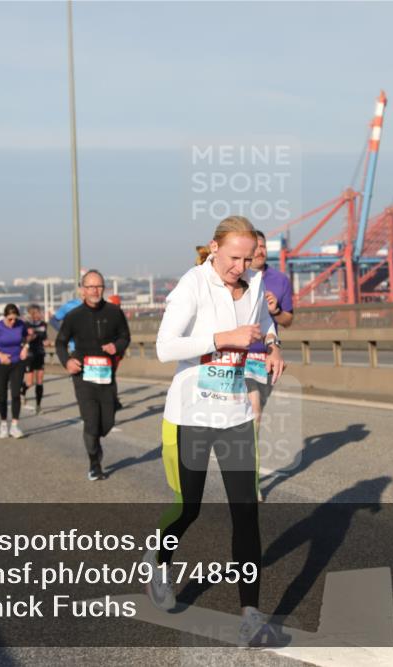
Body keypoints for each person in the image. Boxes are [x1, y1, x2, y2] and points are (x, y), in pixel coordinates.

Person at [145, 216, 285, 647]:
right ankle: (159, 558)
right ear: (214, 248)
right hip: (191, 414)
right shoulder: (193, 284)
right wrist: (223, 337)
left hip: (236, 414)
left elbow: (264, 324)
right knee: (189, 507)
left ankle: (250, 614)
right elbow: (165, 347)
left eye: (248, 258)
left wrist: (274, 346)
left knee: (246, 512)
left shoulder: (257, 283)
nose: (239, 267)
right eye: (233, 258)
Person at [55, 270, 130, 481]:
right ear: (82, 290)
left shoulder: (114, 312)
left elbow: (125, 336)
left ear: (103, 288)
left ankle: (96, 442)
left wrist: (116, 346)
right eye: (90, 287)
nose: (94, 291)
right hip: (83, 375)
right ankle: (94, 463)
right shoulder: (74, 316)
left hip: (106, 375)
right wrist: (67, 361)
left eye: (98, 286)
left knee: (106, 423)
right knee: (91, 421)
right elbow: (60, 342)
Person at [244, 230, 294, 502]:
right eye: (256, 246)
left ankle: (245, 472)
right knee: (252, 413)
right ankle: (249, 482)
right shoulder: (236, 278)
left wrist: (274, 311)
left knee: (254, 420)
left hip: (264, 358)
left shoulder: (280, 280)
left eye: (263, 246)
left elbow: (288, 321)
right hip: (235, 358)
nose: (261, 250)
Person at [0, 304, 30, 439]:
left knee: (16, 394)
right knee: (2, 396)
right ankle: (3, 424)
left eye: (15, 319)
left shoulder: (21, 324)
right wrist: (0, 356)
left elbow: (27, 337)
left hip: (17, 363)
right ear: (5, 317)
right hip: (0, 365)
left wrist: (25, 347)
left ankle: (15, 426)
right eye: (10, 319)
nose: (13, 322)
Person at [22, 304, 48, 414]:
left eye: (40, 312)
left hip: (40, 353)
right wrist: (30, 337)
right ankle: (21, 393)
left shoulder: (43, 324)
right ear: (32, 314)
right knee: (29, 382)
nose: (40, 314)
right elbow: (24, 339)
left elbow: (44, 337)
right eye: (38, 312)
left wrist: (46, 342)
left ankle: (38, 406)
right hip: (30, 354)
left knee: (40, 380)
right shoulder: (26, 325)